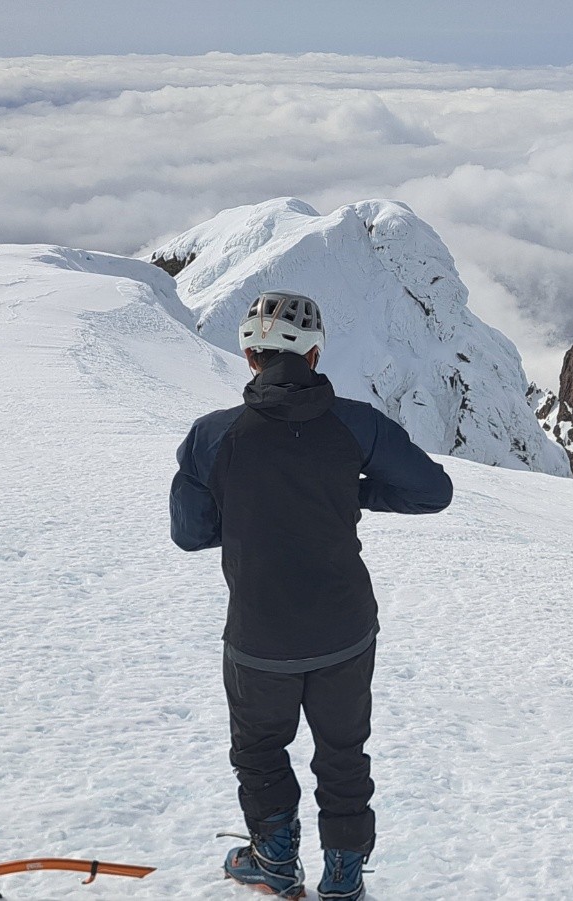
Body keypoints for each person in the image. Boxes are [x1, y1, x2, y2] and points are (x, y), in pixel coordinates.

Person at [170, 291, 453, 900]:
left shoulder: (211, 437)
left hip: (258, 637)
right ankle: (345, 878)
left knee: (260, 751)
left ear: (249, 356)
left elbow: (189, 534)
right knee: (343, 752)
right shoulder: (358, 425)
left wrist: (250, 514)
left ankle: (274, 862)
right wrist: (349, 493)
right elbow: (433, 492)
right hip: (344, 631)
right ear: (316, 355)